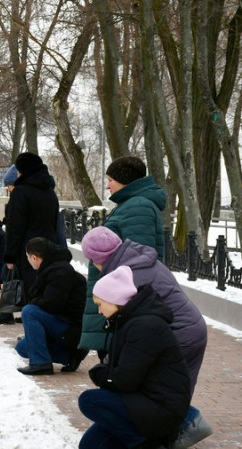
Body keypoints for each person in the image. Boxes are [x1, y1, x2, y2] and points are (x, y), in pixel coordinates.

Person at [82, 227, 212, 447]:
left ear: (100, 258)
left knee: (157, 385)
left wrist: (106, 370)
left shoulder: (129, 276)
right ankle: (172, 428)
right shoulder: (136, 257)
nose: (94, 266)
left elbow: (127, 375)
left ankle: (172, 431)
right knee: (164, 385)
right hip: (188, 325)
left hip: (179, 330)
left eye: (93, 260)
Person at [79, 266, 191, 449]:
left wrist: (99, 373)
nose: (99, 311)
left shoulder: (145, 326)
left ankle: (146, 444)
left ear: (114, 300)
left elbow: (124, 380)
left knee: (89, 400)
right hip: (141, 400)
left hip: (161, 408)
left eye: (100, 304)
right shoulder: (128, 322)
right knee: (90, 445)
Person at [80, 156, 167, 352]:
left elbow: (140, 259)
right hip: (116, 295)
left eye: (110, 180)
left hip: (122, 299)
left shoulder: (138, 206)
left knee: (120, 355)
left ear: (125, 180)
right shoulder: (131, 204)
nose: (108, 186)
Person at [0, 153, 59, 325]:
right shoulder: (50, 191)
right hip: (48, 245)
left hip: (27, 247)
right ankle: (32, 320)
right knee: (41, 286)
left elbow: (15, 227)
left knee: (27, 285)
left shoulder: (21, 192)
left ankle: (30, 326)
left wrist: (10, 256)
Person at [15, 238, 87, 375]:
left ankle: (41, 364)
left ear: (35, 258)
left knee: (29, 312)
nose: (28, 261)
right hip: (60, 322)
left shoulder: (60, 272)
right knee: (22, 348)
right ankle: (69, 356)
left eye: (28, 257)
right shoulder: (51, 268)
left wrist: (34, 302)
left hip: (71, 328)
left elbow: (51, 303)